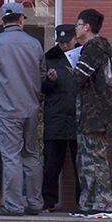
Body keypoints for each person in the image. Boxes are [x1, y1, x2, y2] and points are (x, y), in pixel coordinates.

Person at [0, 2, 47, 216]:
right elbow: (42, 74)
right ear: (21, 19)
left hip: (7, 107)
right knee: (31, 155)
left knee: (11, 156)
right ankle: (35, 203)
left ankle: (14, 205)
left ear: (2, 21)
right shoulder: (34, 44)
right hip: (31, 107)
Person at [69, 9, 112, 218]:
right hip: (91, 114)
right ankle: (88, 203)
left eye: (77, 24)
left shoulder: (93, 48)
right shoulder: (98, 48)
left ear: (87, 27)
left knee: (95, 160)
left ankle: (103, 204)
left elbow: (79, 77)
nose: (75, 28)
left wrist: (69, 69)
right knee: (85, 161)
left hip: (95, 115)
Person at [41, 24, 79, 212]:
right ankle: (48, 201)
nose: (64, 46)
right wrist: (49, 80)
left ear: (75, 39)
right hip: (56, 116)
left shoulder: (83, 55)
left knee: (80, 165)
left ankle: (82, 202)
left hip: (78, 117)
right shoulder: (49, 57)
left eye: (67, 42)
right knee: (51, 164)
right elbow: (41, 88)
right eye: (61, 42)